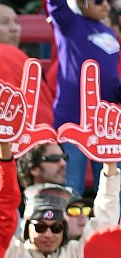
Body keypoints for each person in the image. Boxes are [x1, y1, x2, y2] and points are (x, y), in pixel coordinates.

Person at [48, 0, 120, 195]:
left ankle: (111, 226)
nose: (104, 5)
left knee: (111, 184)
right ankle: (69, 226)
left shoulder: (110, 32)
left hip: (105, 125)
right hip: (73, 121)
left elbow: (111, 77)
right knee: (72, 184)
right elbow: (55, 4)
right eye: (97, 1)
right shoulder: (69, 23)